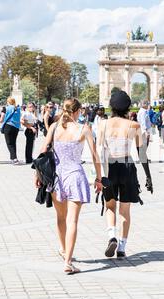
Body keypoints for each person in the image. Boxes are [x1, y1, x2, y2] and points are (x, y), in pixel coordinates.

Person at [36, 98, 103, 274]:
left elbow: (43, 151)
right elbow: (95, 156)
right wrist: (99, 178)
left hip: (57, 176)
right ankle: (67, 262)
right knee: (72, 220)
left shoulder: (54, 127)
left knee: (60, 217)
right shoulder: (83, 128)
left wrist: (37, 174)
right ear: (78, 111)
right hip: (75, 175)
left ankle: (63, 248)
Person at [97, 90, 153, 259]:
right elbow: (141, 153)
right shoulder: (133, 125)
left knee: (110, 206)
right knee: (125, 209)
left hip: (110, 167)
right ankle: (121, 246)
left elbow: (99, 152)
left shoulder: (103, 124)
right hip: (127, 166)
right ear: (128, 107)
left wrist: (98, 176)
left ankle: (111, 235)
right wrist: (148, 176)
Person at [2, 97, 22, 164]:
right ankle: (12, 158)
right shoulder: (18, 108)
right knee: (13, 142)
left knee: (9, 143)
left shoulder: (6, 108)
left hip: (8, 126)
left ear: (8, 102)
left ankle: (14, 158)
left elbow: (2, 118)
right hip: (16, 127)